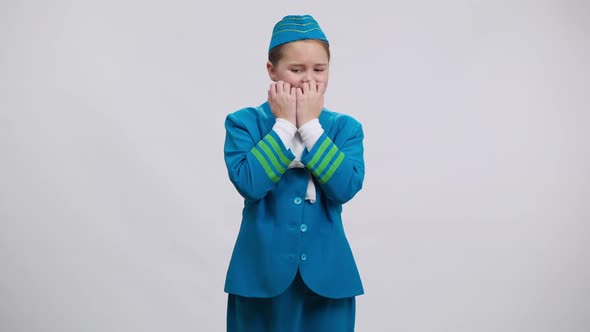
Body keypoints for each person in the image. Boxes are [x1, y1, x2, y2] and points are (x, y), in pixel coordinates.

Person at [223, 14, 365, 332]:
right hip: (258, 276)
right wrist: (285, 125)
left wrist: (311, 127)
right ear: (272, 71)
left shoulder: (345, 128)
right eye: (296, 70)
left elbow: (346, 187)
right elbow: (250, 184)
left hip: (329, 279)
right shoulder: (243, 123)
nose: (308, 80)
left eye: (319, 69)